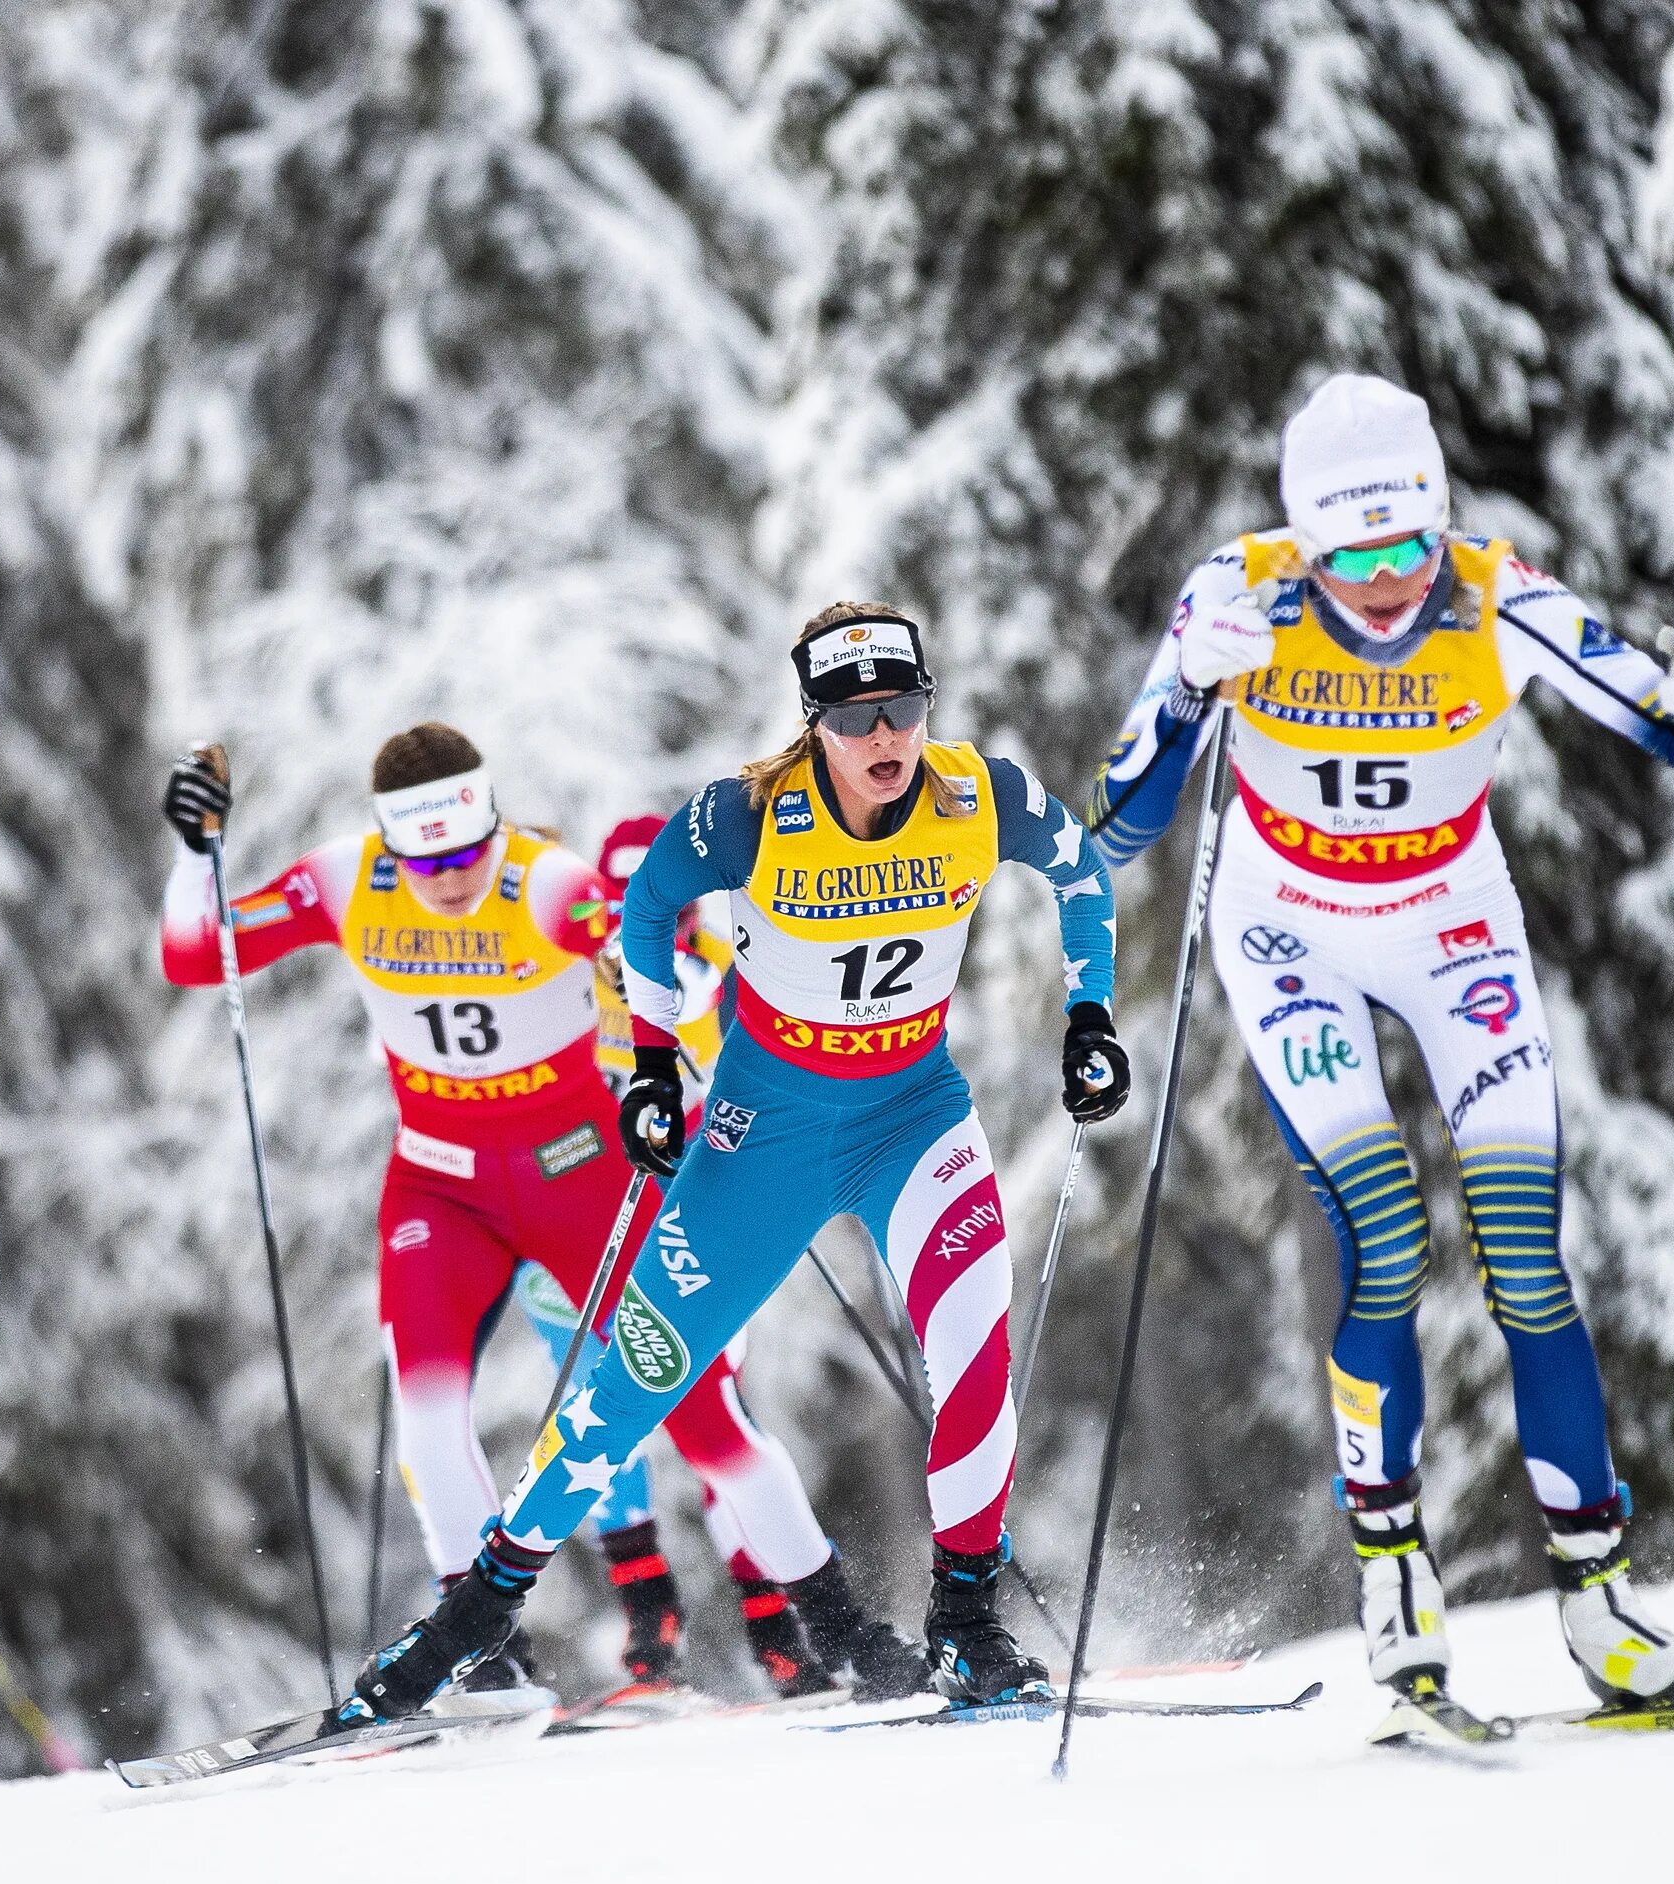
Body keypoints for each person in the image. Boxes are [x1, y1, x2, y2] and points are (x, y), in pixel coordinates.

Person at [331, 601, 1129, 1728]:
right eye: (857, 717)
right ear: (815, 723)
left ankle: (966, 1622)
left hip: (915, 1117)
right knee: (630, 1387)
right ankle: (470, 1617)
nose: (886, 735)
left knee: (975, 1347)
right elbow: (649, 907)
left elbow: (1081, 867)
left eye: (903, 706)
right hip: (767, 1135)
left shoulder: (975, 791)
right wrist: (653, 1057)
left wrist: (1091, 1014)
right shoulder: (749, 815)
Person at [1090, 372, 1674, 1713]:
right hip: (1290, 935)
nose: (1386, 582)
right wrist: (1184, 698)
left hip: (1453, 924)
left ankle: (1603, 1603)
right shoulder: (1240, 592)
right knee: (1383, 1234)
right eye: (1351, 555)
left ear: (1441, 525)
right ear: (1305, 542)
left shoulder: (1498, 593)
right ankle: (1392, 1571)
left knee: (1526, 1255)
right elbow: (1117, 823)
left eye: (1408, 546)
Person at [157, 727, 918, 1698]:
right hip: (439, 1183)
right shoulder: (346, 878)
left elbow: (633, 932)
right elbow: (196, 954)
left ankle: (839, 1625)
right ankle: (488, 1657)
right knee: (428, 1423)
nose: (451, 879)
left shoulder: (541, 880)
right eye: (425, 861)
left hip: (580, 1176)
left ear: (492, 825)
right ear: (390, 844)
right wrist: (195, 852)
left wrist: (679, 978)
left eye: (468, 852)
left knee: (705, 1415)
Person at [503, 815, 842, 1697]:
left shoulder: (714, 974)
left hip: (689, 1234)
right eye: (616, 908)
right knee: (588, 1414)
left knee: (715, 1424)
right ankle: (650, 1626)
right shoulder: (567, 974)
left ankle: (782, 1632)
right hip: (579, 1237)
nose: (634, 928)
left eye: (651, 909)